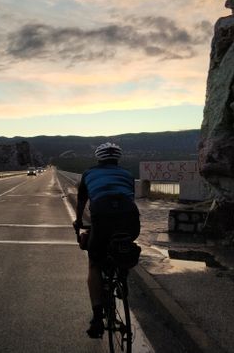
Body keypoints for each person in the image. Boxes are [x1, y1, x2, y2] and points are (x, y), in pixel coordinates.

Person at [73, 142, 140, 338]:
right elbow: (130, 199)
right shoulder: (127, 175)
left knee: (94, 263)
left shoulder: (88, 174)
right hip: (130, 220)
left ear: (98, 158)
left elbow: (81, 202)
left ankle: (97, 318)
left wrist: (78, 222)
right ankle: (122, 277)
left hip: (102, 220)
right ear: (117, 159)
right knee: (124, 245)